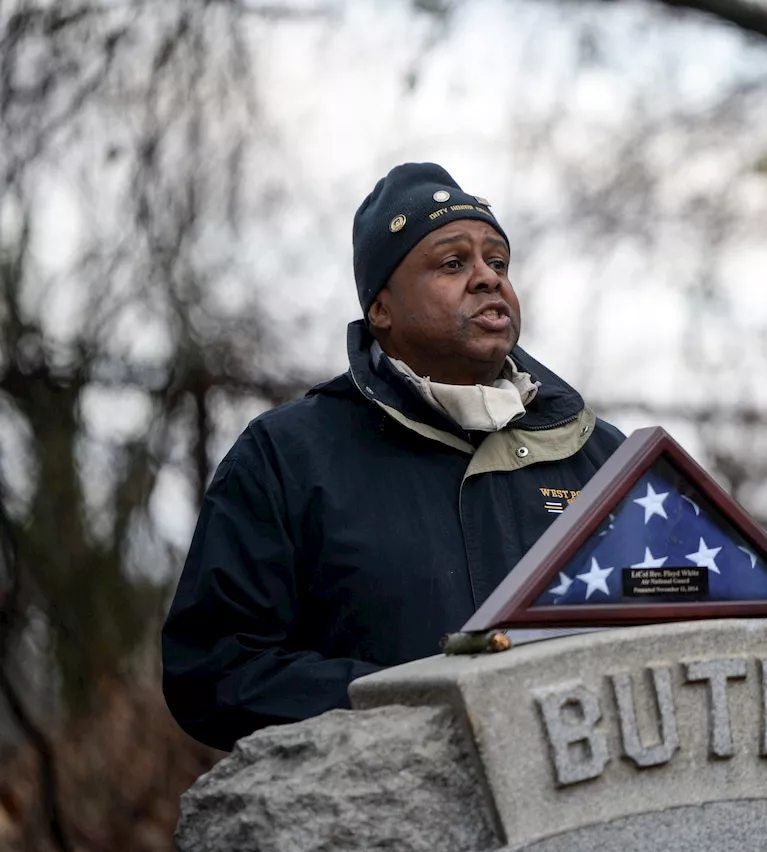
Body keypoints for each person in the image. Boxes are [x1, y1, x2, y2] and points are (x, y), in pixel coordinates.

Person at [162, 163, 626, 752]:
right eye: (453, 263)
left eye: (498, 262)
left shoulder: (601, 454)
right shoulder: (288, 456)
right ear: (381, 309)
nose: (487, 279)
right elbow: (215, 672)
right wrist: (417, 705)